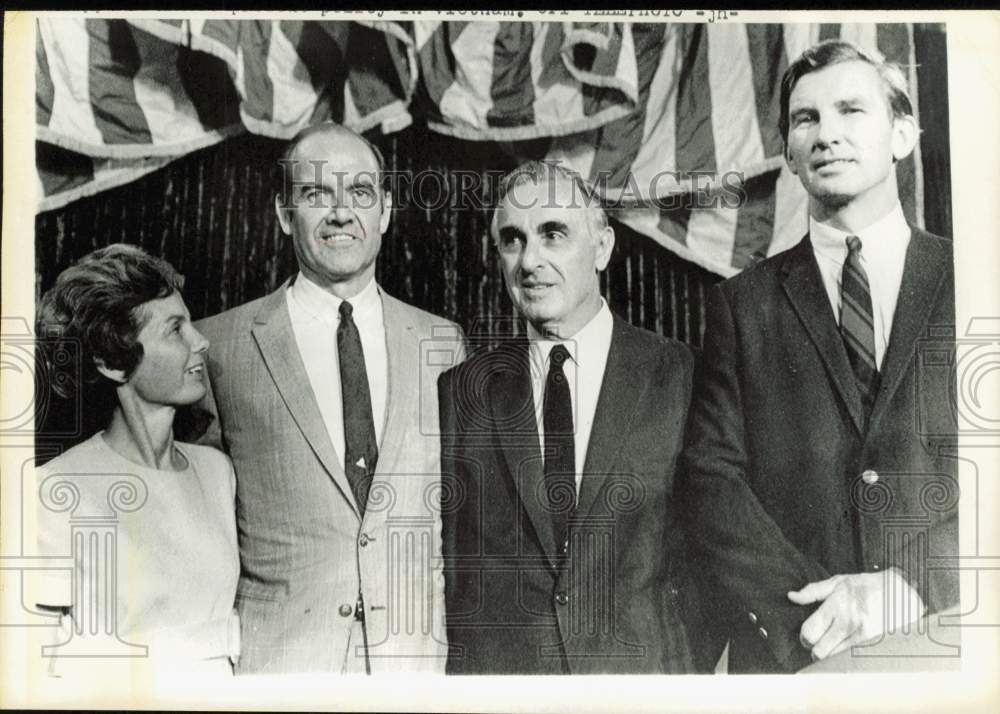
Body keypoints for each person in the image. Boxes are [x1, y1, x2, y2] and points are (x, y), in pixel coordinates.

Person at [679, 40, 958, 673]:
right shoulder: (740, 305)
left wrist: (911, 586)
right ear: (789, 155)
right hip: (794, 655)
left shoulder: (973, 280)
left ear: (903, 134)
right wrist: (812, 614)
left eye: (851, 110)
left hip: (946, 638)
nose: (827, 133)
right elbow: (710, 480)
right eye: (807, 119)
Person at [195, 122, 465, 674]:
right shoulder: (218, 345)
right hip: (281, 664)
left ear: (385, 212)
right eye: (318, 194)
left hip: (416, 665)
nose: (341, 213)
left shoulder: (442, 342)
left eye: (360, 193)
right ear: (283, 213)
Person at [438, 161, 711, 674]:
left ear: (603, 247)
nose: (530, 261)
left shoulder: (680, 376)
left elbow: (711, 552)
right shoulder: (462, 392)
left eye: (553, 234)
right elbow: (455, 571)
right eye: (513, 240)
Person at [32, 243, 239, 676]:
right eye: (174, 330)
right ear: (111, 361)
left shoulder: (216, 472)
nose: (200, 341)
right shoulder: (53, 490)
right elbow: (36, 668)